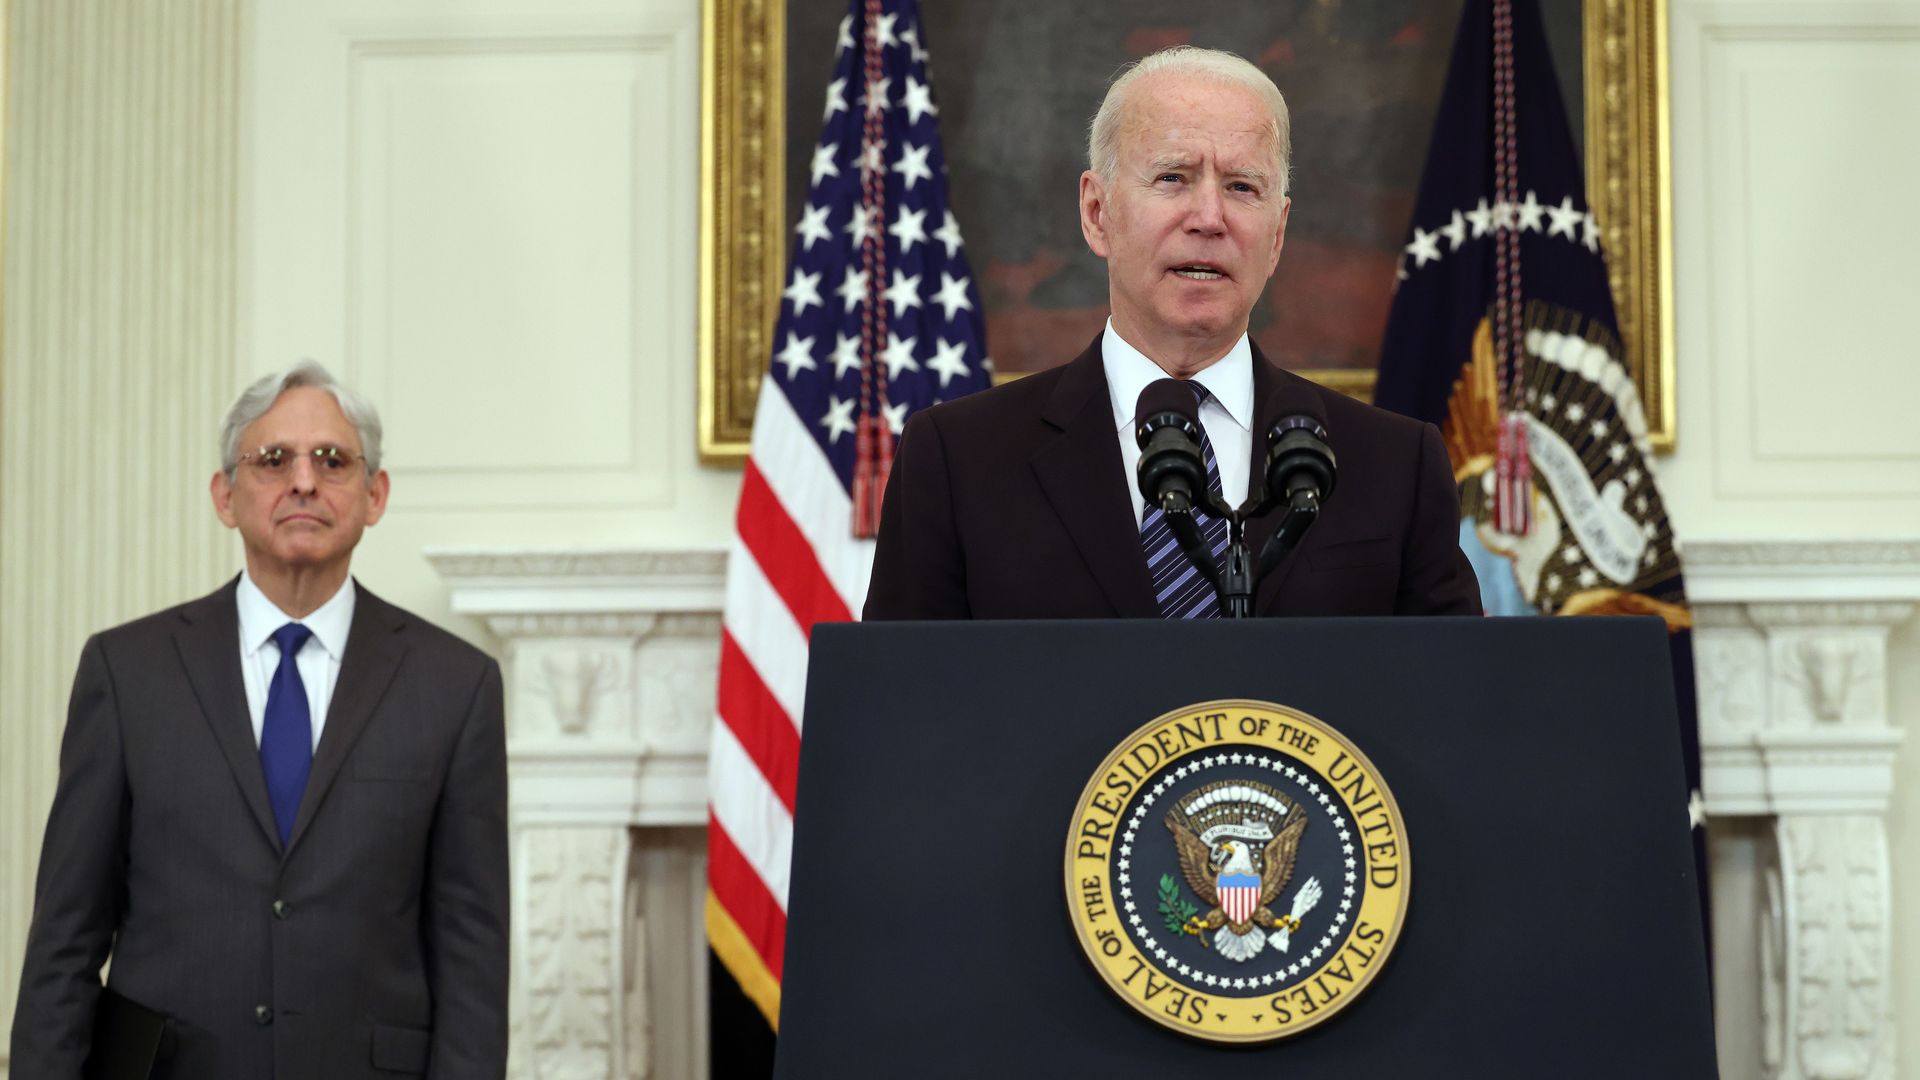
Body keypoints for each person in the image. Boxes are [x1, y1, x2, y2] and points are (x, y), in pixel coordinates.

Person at [11, 363, 508, 1078]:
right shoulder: (127, 673)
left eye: (332, 460)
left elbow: (473, 958)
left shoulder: (455, 686)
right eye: (274, 459)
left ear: (375, 496)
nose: (304, 481)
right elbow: (65, 939)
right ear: (225, 495)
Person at [864, 46, 1480, 619]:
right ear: (1097, 213)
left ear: (1277, 234)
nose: (1209, 218)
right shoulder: (958, 459)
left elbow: (1454, 693)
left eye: (1242, 187)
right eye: (1172, 178)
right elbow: (902, 693)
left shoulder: (1395, 465)